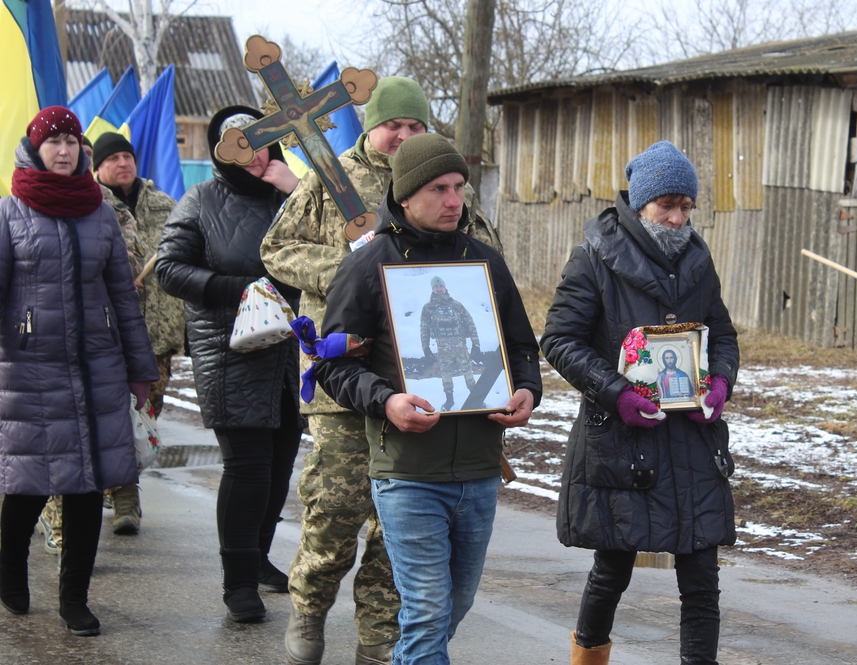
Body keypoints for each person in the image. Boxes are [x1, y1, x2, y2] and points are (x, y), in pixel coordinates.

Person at [261, 76, 499, 665]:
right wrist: (351, 263)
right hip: (346, 373)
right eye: (395, 124)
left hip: (420, 378)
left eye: (416, 126)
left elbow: (483, 255)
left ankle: (378, 639)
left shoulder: (438, 180)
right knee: (336, 510)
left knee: (401, 526)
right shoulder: (328, 177)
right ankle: (309, 610)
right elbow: (275, 249)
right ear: (371, 125)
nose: (404, 135)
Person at [314, 133, 542, 665]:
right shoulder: (369, 264)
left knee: (454, 605)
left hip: (481, 468)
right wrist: (386, 400)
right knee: (426, 610)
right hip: (408, 471)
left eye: (459, 187)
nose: (454, 200)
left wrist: (527, 388)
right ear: (406, 194)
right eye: (439, 188)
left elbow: (520, 346)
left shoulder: (486, 263)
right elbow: (331, 363)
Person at [540, 140, 739, 665]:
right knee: (613, 568)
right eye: (666, 206)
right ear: (639, 203)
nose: (677, 219)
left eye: (687, 207)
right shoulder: (596, 255)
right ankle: (587, 657)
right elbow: (559, 339)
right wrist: (618, 392)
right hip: (627, 441)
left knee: (702, 579)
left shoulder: (698, 258)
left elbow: (722, 335)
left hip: (693, 439)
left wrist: (718, 385)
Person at [0, 106, 159, 636]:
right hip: (29, 370)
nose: (65, 151)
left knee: (89, 484)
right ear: (35, 148)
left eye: (72, 142)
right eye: (54, 142)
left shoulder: (100, 212)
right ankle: (10, 570)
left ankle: (75, 599)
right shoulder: (10, 212)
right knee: (27, 486)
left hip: (99, 369)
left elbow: (122, 295)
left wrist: (140, 370)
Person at [156, 105, 304, 623]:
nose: (252, 149)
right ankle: (238, 582)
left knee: (281, 463)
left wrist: (296, 188)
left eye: (259, 138)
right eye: (237, 141)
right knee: (248, 469)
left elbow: (348, 243)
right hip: (230, 351)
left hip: (289, 353)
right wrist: (235, 289)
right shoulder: (200, 200)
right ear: (220, 149)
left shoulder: (292, 197)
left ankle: (258, 557)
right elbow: (169, 269)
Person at [92, 131, 184, 534]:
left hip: (156, 336)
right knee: (109, 415)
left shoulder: (164, 205)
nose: (123, 163)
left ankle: (125, 488)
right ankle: (119, 495)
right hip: (107, 335)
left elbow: (184, 254)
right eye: (112, 158)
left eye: (127, 156)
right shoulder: (91, 205)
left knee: (145, 415)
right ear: (97, 168)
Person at [421, 276, 479, 411]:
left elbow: (470, 323)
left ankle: (476, 398)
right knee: (446, 374)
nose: (439, 289)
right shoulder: (428, 308)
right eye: (436, 287)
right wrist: (426, 347)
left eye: (441, 286)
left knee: (468, 372)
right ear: (432, 289)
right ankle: (449, 401)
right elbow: (424, 328)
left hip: (460, 347)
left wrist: (476, 344)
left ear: (445, 287)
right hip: (443, 349)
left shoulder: (456, 305)